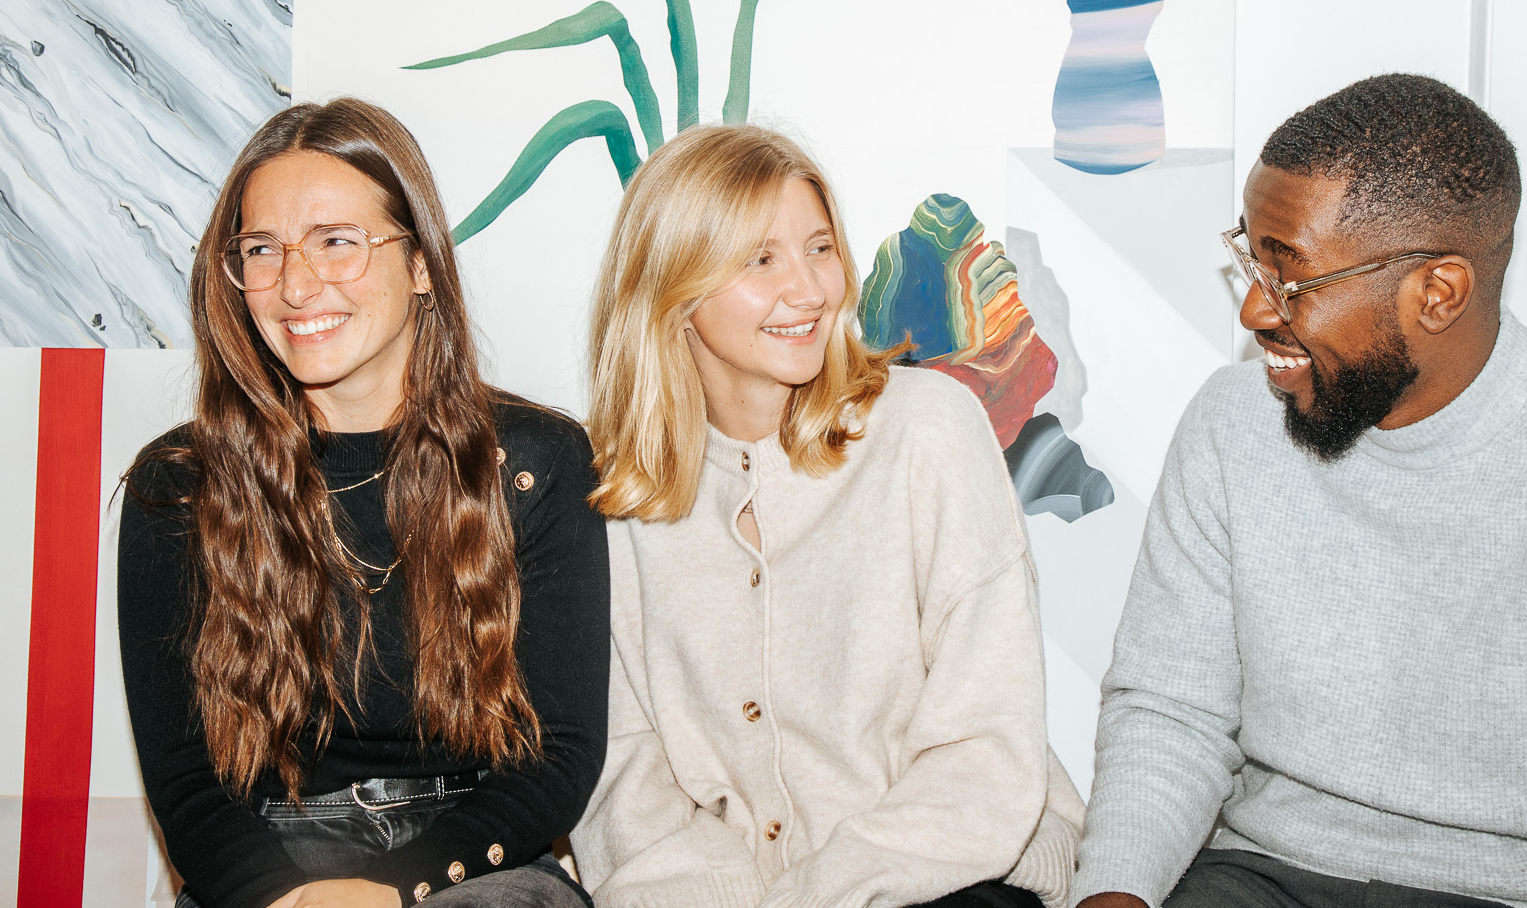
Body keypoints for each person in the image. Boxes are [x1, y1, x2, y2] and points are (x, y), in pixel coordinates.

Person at [1071, 74, 1527, 908]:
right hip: (1261, 877)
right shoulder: (1230, 425)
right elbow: (1170, 711)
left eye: (1290, 279)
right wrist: (1113, 896)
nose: (1252, 312)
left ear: (1438, 292)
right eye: (1250, 257)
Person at [568, 123, 1084, 908]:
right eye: (760, 258)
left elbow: (983, 744)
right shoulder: (614, 497)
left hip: (949, 870)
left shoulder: (929, 428)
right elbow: (625, 778)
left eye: (818, 247)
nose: (809, 289)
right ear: (672, 289)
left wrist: (817, 896)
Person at [119, 97, 609, 908]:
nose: (297, 283)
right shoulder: (179, 484)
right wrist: (285, 896)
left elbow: (557, 757)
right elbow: (185, 781)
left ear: (420, 264)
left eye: (338, 242)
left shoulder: (537, 464)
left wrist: (392, 889)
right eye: (262, 249)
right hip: (261, 864)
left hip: (474, 866)